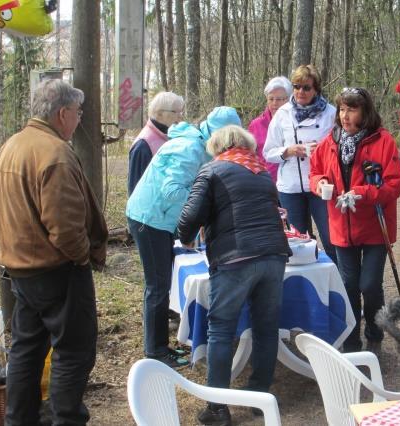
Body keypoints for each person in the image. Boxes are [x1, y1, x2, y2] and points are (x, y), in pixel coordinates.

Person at [0, 78, 108, 424]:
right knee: (73, 351)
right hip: (57, 270)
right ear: (62, 113)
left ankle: (19, 419)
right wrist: (82, 256)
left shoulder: (12, 145)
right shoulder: (54, 153)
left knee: (27, 348)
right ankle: (66, 419)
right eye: (78, 112)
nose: (79, 118)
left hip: (21, 270)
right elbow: (66, 227)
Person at [177, 125, 291, 425]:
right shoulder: (261, 172)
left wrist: (186, 237)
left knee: (222, 330)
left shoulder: (213, 170)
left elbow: (189, 217)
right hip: (274, 256)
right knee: (266, 327)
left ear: (217, 146)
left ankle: (218, 407)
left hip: (236, 258)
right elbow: (278, 212)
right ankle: (259, 395)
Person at [126, 107, 241, 369]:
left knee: (160, 284)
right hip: (150, 218)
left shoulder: (198, 145)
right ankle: (155, 352)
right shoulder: (190, 149)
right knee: (157, 285)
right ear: (217, 134)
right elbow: (172, 192)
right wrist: (199, 212)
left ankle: (158, 345)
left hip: (159, 218)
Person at [309, 87, 400, 352]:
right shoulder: (331, 141)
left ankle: (375, 330)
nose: (345, 115)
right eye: (342, 109)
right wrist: (320, 184)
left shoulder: (382, 141)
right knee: (348, 285)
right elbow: (315, 171)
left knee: (369, 284)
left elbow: (394, 185)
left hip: (375, 226)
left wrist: (363, 193)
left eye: (352, 109)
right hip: (341, 227)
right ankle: (351, 340)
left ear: (365, 111)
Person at [263, 64, 338, 264]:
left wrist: (322, 149)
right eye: (296, 86)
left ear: (316, 90)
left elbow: (341, 147)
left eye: (306, 87)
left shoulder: (331, 113)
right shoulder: (282, 114)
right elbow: (268, 152)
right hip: (291, 186)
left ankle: (337, 286)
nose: (300, 92)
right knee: (297, 242)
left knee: (331, 240)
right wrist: (287, 151)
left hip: (321, 185)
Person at [127, 91, 185, 195]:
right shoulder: (143, 145)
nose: (181, 117)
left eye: (181, 112)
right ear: (159, 113)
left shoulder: (170, 135)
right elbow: (136, 192)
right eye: (176, 112)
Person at [248, 76, 293, 182]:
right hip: (264, 182)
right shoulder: (256, 124)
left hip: (291, 184)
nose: (274, 103)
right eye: (271, 99)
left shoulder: (295, 122)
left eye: (279, 99)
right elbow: (250, 155)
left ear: (289, 99)